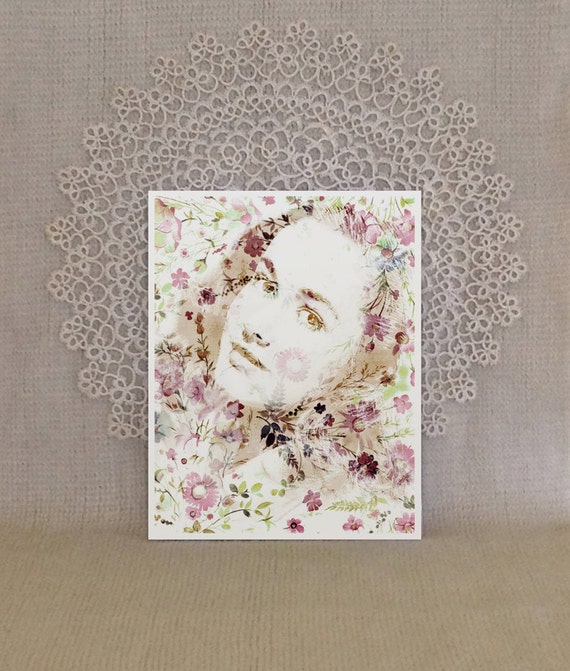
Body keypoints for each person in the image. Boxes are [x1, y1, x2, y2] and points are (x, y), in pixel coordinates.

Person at [153, 195, 418, 537]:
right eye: (266, 284)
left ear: (357, 366)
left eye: (310, 317)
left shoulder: (341, 502)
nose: (257, 326)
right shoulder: (176, 424)